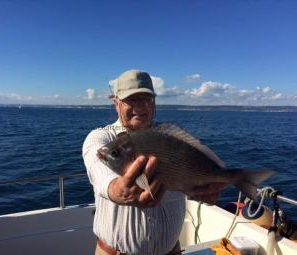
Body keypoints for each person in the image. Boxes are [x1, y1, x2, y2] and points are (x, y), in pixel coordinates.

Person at [83, 69, 226, 255]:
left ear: (154, 102)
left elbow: (196, 171)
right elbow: (98, 170)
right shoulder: (101, 138)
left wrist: (209, 189)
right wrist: (117, 190)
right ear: (116, 103)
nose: (140, 106)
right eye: (132, 99)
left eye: (146, 99)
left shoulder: (171, 136)